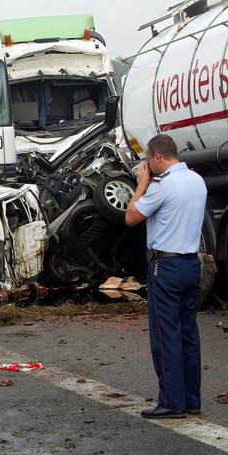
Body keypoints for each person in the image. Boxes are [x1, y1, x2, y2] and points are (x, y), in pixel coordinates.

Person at [125, 134, 207, 419]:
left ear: (157, 157)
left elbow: (131, 217)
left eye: (148, 159)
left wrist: (141, 186)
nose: (146, 165)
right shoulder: (197, 181)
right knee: (188, 334)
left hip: (166, 267)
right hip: (191, 264)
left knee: (165, 336)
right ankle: (191, 399)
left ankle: (172, 401)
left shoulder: (162, 185)